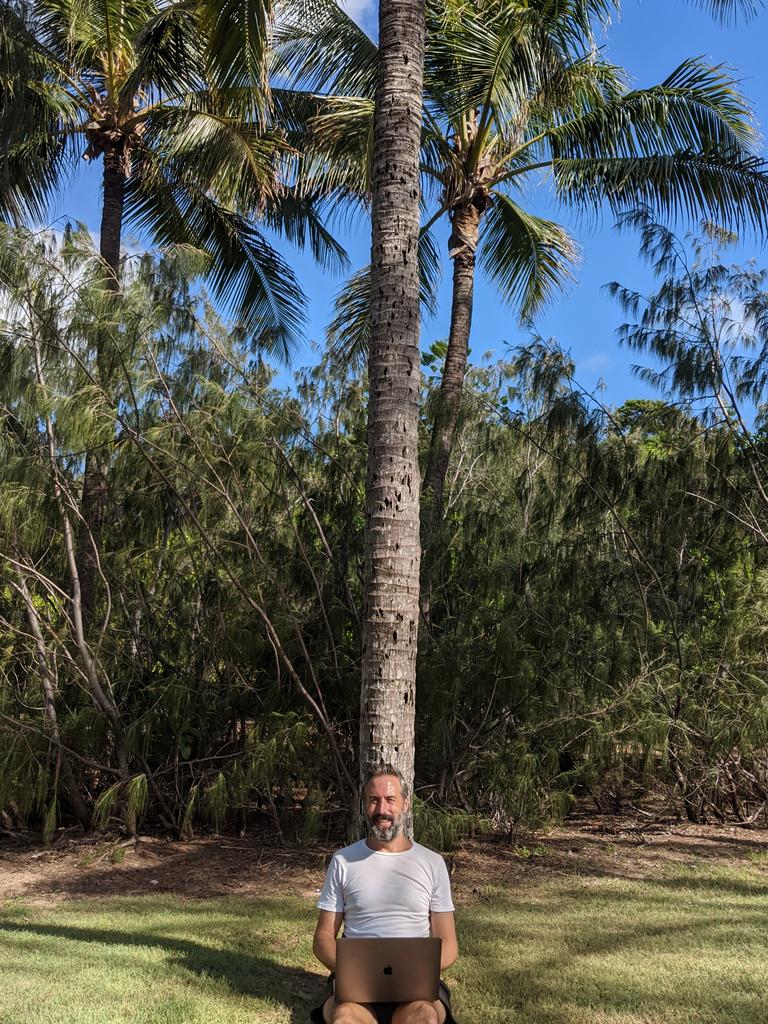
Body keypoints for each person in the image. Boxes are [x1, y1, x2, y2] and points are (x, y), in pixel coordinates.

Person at [311, 764, 459, 1024]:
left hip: (415, 990)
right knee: (343, 1019)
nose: (382, 810)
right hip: (357, 991)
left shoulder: (432, 863)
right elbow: (323, 937)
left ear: (405, 803)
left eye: (390, 800)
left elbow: (449, 943)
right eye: (373, 801)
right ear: (364, 806)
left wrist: (417, 974)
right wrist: (353, 973)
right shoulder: (343, 861)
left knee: (426, 1018)